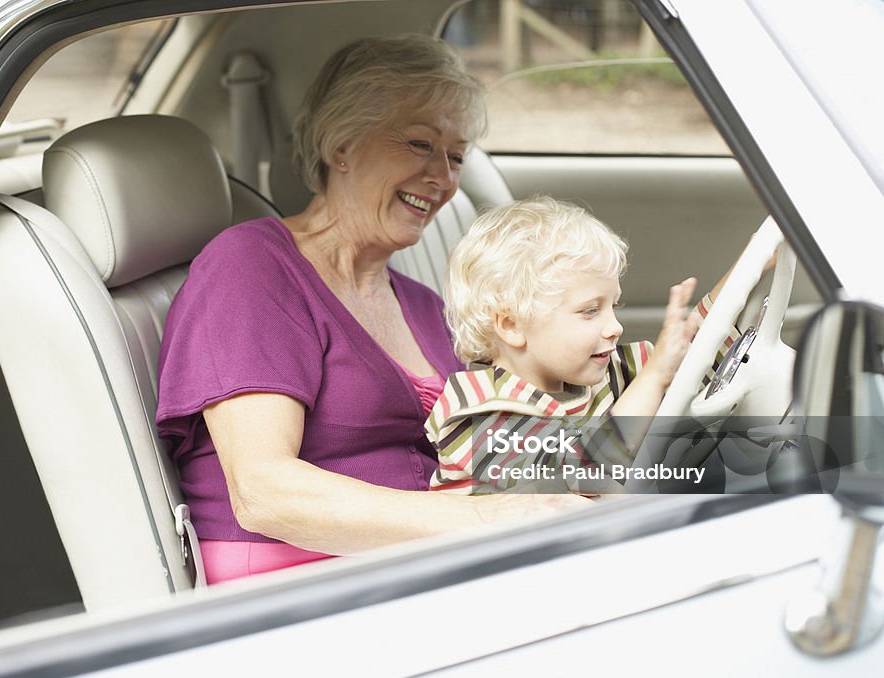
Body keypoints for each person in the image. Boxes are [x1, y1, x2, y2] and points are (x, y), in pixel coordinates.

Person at [156, 36, 590, 585]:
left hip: (416, 567)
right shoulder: (252, 269)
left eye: (455, 157)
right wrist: (484, 516)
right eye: (418, 144)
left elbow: (500, 445)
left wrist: (702, 451)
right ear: (342, 145)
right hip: (298, 590)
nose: (444, 178)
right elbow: (264, 493)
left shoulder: (423, 305)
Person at [426, 197, 739, 495]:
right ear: (512, 325)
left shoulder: (607, 371)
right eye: (590, 311)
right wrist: (655, 377)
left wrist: (752, 262)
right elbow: (580, 472)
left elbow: (698, 352)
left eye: (614, 305)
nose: (615, 327)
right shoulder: (477, 415)